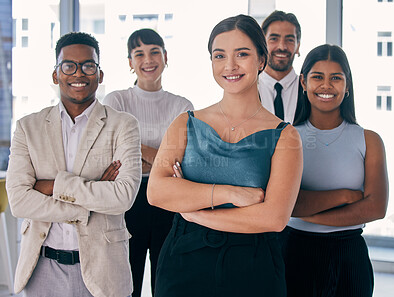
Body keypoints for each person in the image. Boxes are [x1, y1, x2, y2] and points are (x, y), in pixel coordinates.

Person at [147, 15, 303, 297]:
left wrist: (195, 213)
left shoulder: (285, 135)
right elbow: (157, 192)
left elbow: (274, 218)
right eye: (219, 56)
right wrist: (230, 193)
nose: (230, 66)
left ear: (261, 60)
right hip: (183, 260)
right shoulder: (185, 122)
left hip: (253, 265)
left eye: (242, 54)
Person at [6, 32, 142, 297]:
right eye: (68, 65)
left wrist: (54, 185)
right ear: (56, 74)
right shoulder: (28, 127)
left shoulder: (123, 125)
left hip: (104, 270)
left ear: (100, 74)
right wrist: (89, 201)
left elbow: (123, 197)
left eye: (88, 65)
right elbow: (19, 201)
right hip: (42, 268)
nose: (78, 73)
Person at [283, 44, 388, 297]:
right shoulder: (287, 138)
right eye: (318, 76)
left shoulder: (369, 140)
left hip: (349, 256)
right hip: (295, 251)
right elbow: (287, 202)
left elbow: (376, 208)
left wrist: (303, 213)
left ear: (348, 85)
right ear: (304, 83)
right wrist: (345, 196)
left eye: (336, 78)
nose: (326, 86)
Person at [103, 28, 193, 297]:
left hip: (169, 199)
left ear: (166, 57)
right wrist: (161, 156)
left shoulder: (182, 105)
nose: (148, 59)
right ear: (130, 62)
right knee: (126, 281)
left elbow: (182, 162)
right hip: (126, 200)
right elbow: (111, 155)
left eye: (154, 51)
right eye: (139, 53)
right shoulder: (116, 100)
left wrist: (133, 150)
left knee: (165, 281)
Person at [258, 10, 301, 123]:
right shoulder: (248, 89)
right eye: (274, 39)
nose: (282, 46)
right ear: (263, 43)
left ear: (298, 46)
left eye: (289, 40)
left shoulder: (309, 90)